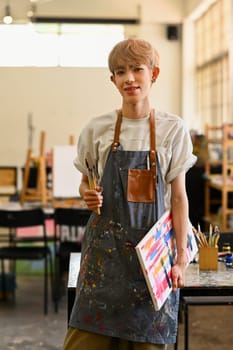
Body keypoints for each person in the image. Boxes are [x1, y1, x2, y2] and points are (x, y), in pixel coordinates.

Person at [62, 38, 197, 350]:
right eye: (121, 72)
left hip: (152, 262)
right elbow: (85, 182)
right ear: (113, 80)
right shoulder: (96, 129)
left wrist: (180, 259)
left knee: (146, 344)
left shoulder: (173, 129)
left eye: (137, 69)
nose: (130, 78)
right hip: (103, 261)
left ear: (154, 74)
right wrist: (87, 194)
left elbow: (178, 198)